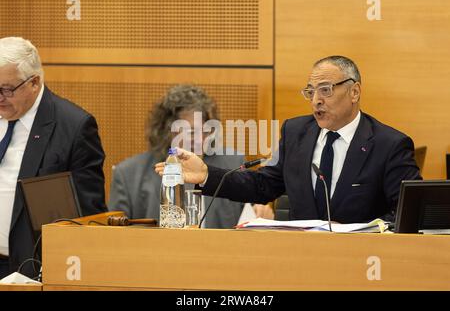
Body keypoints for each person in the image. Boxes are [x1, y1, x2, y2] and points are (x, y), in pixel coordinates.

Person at [155, 56, 422, 224]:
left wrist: (366, 235)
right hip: (298, 260)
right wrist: (206, 174)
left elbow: (407, 215)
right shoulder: (297, 132)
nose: (316, 99)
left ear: (354, 91)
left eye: (326, 90)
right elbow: (265, 186)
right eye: (310, 91)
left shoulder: (389, 144)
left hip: (361, 264)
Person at [0, 37, 107, 278]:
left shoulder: (74, 127)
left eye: (6, 89)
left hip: (31, 268)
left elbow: (88, 217)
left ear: (34, 82)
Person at [109, 84, 260, 228]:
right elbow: (115, 240)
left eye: (206, 131)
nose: (200, 139)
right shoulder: (128, 176)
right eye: (191, 132)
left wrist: (259, 212)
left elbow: (249, 223)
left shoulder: (232, 165)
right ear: (167, 131)